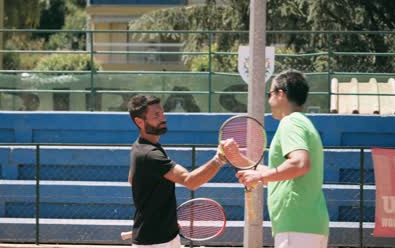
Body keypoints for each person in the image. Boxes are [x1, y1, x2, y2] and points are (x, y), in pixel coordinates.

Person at [222, 70, 329, 248]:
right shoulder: (302, 122)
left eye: (269, 93)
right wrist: (239, 158)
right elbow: (280, 176)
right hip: (304, 226)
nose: (268, 99)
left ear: (280, 94)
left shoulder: (291, 122)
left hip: (297, 227)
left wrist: (260, 177)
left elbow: (300, 163)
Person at [127, 94, 226, 247]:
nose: (163, 118)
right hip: (154, 243)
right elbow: (190, 181)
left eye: (162, 113)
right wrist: (220, 159)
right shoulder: (149, 154)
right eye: (156, 115)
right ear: (140, 122)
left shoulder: (139, 147)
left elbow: (132, 179)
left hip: (167, 236)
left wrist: (165, 219)